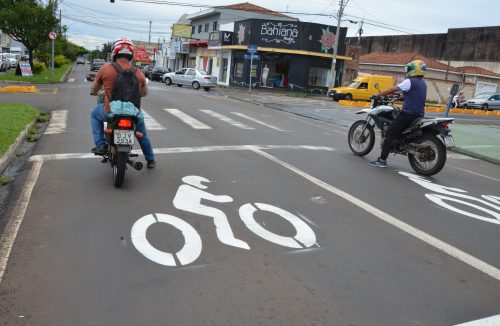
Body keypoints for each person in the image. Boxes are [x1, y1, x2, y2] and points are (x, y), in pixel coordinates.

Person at [90, 37, 156, 168]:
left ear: (115, 52)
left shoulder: (105, 69)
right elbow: (144, 93)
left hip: (110, 112)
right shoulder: (138, 72)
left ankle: (100, 144)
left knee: (94, 114)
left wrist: (96, 91)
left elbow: (94, 89)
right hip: (133, 114)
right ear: (131, 54)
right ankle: (150, 160)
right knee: (142, 134)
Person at [368, 59, 427, 168]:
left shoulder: (409, 81)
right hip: (419, 115)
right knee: (397, 130)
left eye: (409, 68)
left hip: (408, 114)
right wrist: (400, 97)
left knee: (389, 134)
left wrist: (379, 94)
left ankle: (382, 160)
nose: (408, 70)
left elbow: (392, 89)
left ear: (414, 70)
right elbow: (412, 95)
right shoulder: (423, 84)